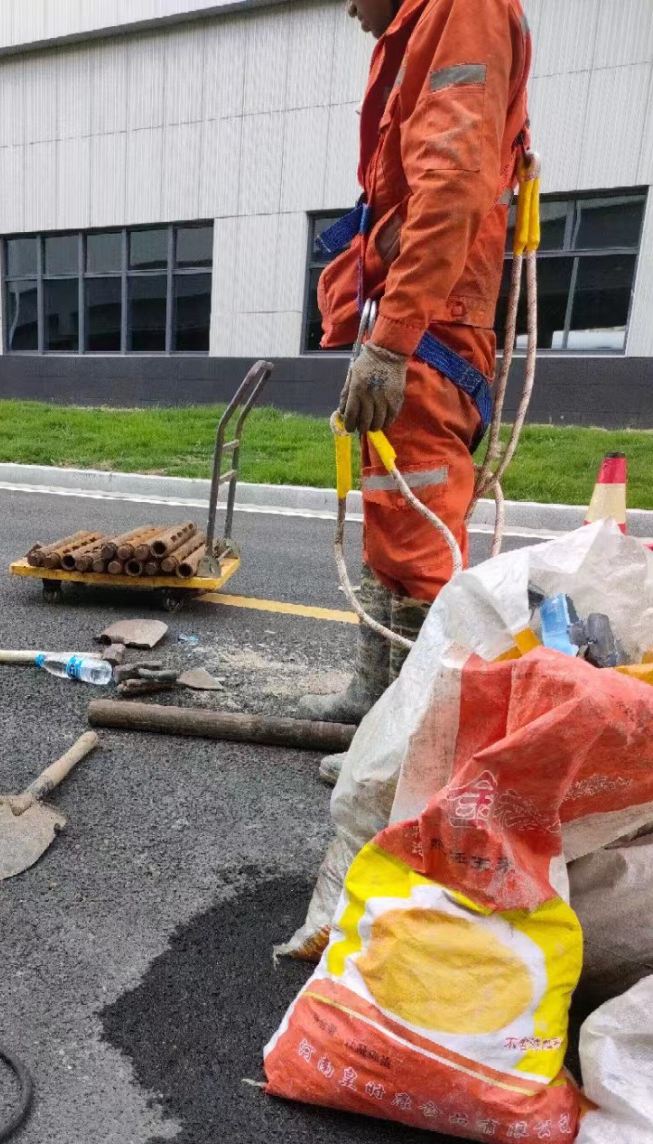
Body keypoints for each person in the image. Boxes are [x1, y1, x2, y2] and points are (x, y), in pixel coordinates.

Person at [299, 0, 533, 743]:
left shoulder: (457, 12)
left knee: (422, 538)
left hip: (430, 321)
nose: (348, 8)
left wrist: (393, 341)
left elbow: (452, 182)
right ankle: (378, 699)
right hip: (416, 310)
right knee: (394, 516)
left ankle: (415, 741)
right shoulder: (420, 25)